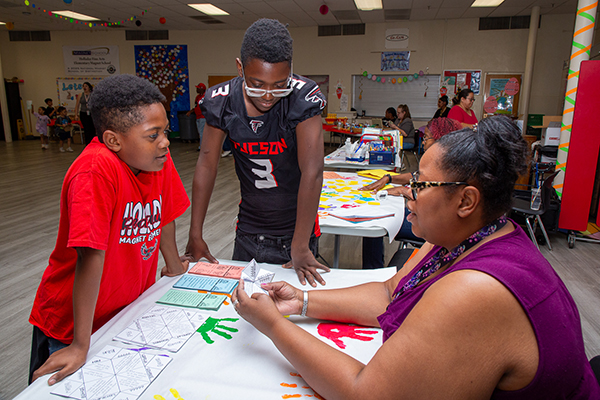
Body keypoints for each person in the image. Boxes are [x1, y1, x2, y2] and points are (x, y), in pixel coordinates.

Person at [231, 115, 600, 399]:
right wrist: (303, 301)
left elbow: (367, 392)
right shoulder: (464, 237)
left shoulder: (476, 290)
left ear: (467, 201)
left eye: (421, 184)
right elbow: (391, 293)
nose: (407, 191)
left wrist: (274, 327)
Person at [28, 74, 191, 386]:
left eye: (165, 132)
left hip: (122, 311)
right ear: (114, 140)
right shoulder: (94, 173)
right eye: (153, 134)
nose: (165, 141)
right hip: (74, 325)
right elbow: (90, 257)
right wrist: (79, 344)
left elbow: (165, 214)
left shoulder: (156, 157)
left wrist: (172, 267)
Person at [185, 18, 330, 287]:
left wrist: (299, 244)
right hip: (249, 230)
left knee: (292, 318)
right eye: (257, 83)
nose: (267, 95)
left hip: (296, 232)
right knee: (241, 316)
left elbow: (313, 171)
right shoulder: (222, 101)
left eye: (279, 84)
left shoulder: (302, 97)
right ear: (240, 68)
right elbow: (207, 165)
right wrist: (195, 232)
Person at [360, 117, 464, 269]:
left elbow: (429, 200)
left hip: (433, 224)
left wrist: (404, 191)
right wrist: (389, 178)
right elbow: (414, 176)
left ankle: (373, 270)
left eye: (426, 138)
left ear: (440, 141)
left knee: (374, 221)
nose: (423, 142)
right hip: (429, 217)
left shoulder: (447, 170)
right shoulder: (446, 162)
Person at [186, 82, 206, 151]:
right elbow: (196, 106)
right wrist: (190, 111)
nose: (196, 90)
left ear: (201, 89)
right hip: (198, 117)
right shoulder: (197, 97)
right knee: (200, 132)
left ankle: (202, 147)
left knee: (202, 133)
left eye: (197, 88)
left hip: (203, 117)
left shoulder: (205, 96)